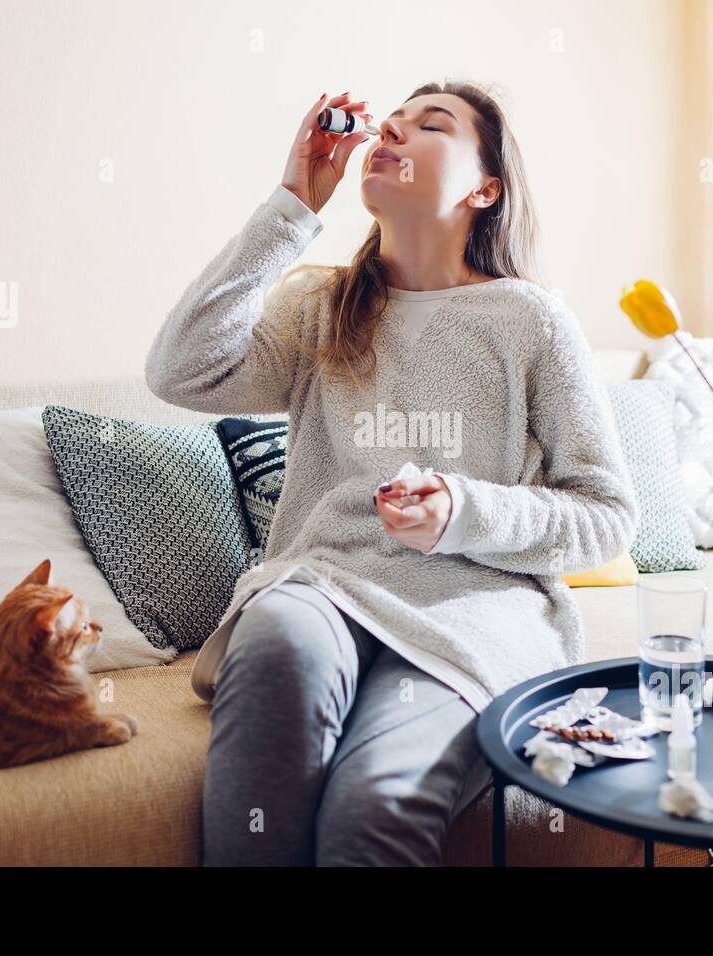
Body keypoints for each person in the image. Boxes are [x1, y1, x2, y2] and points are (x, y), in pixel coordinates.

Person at [145, 81, 639, 866]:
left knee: (376, 804)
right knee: (279, 648)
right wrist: (291, 205)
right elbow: (182, 371)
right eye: (393, 121)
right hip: (327, 585)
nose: (393, 132)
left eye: (430, 125)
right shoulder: (322, 305)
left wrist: (464, 512)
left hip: (475, 611)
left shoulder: (531, 321)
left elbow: (606, 514)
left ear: (485, 188)